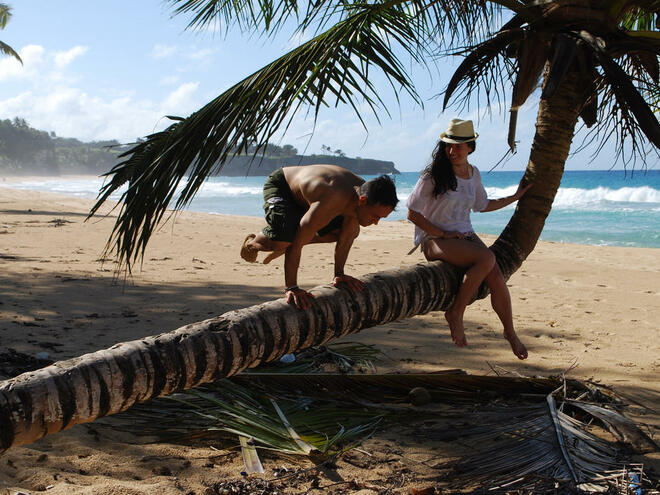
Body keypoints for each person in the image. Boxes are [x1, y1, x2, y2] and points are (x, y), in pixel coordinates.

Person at [407, 118, 531, 360]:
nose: (452, 151)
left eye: (458, 146)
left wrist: (515, 197)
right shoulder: (432, 175)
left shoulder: (473, 174)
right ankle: (456, 312)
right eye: (448, 146)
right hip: (434, 239)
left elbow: (483, 205)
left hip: (464, 237)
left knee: (496, 277)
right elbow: (412, 213)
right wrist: (442, 233)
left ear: (470, 148)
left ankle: (510, 333)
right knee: (487, 258)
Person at [241, 165, 398, 310]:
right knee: (284, 241)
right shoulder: (333, 197)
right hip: (283, 186)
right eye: (375, 216)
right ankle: (253, 243)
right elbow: (297, 247)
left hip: (310, 199)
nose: (376, 222)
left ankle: (289, 240)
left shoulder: (363, 196)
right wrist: (292, 288)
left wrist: (339, 274)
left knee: (350, 231)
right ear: (362, 201)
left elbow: (345, 240)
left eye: (381, 218)